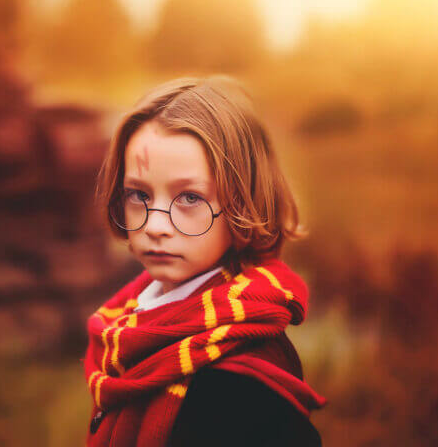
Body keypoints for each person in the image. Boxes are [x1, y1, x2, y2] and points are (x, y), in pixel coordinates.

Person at [83, 75, 327, 447]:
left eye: (190, 198)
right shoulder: (124, 328)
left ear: (241, 203)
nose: (155, 225)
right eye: (139, 195)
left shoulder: (239, 391)